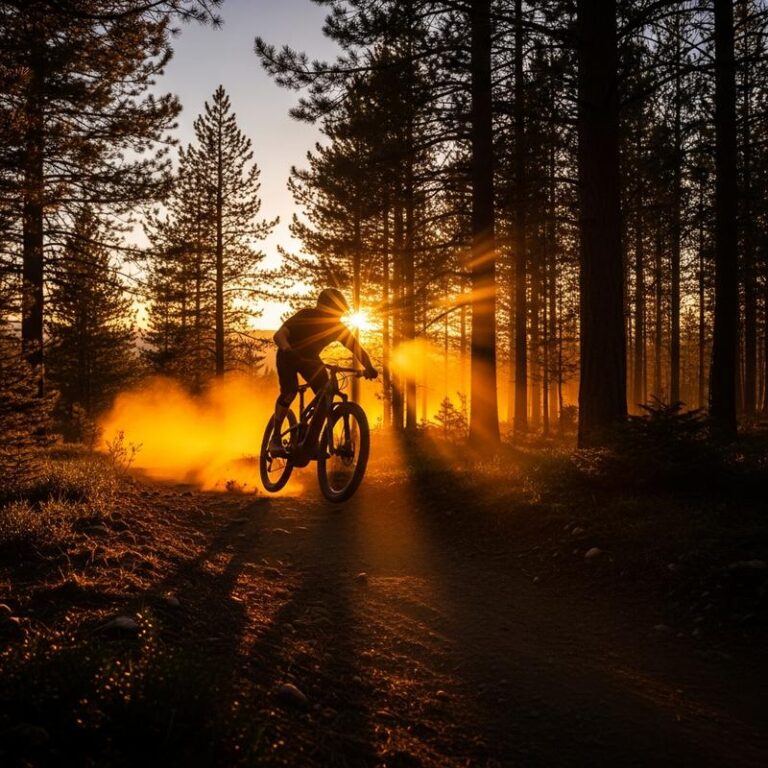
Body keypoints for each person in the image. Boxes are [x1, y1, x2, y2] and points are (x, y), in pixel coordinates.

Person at [269, 288, 377, 453]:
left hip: (310, 360)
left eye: (341, 313)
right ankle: (275, 438)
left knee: (326, 394)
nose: (339, 316)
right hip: (288, 355)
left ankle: (311, 441)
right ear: (326, 308)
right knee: (290, 391)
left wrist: (368, 367)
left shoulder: (337, 328)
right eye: (337, 312)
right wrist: (288, 349)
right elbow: (279, 335)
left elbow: (357, 349)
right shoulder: (306, 315)